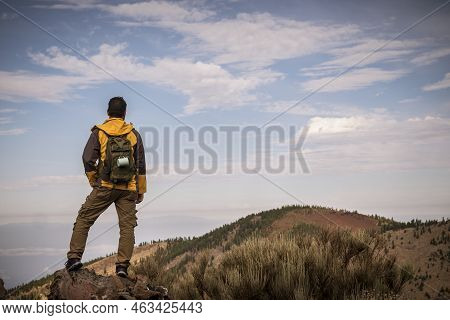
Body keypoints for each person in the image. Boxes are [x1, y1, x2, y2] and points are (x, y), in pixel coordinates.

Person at [65, 97, 147, 277]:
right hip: (128, 189)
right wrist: (140, 191)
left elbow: (87, 159)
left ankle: (74, 258)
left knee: (84, 218)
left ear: (108, 112)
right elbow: (140, 164)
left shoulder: (99, 132)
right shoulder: (133, 133)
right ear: (124, 113)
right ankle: (122, 267)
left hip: (105, 185)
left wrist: (94, 179)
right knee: (127, 227)